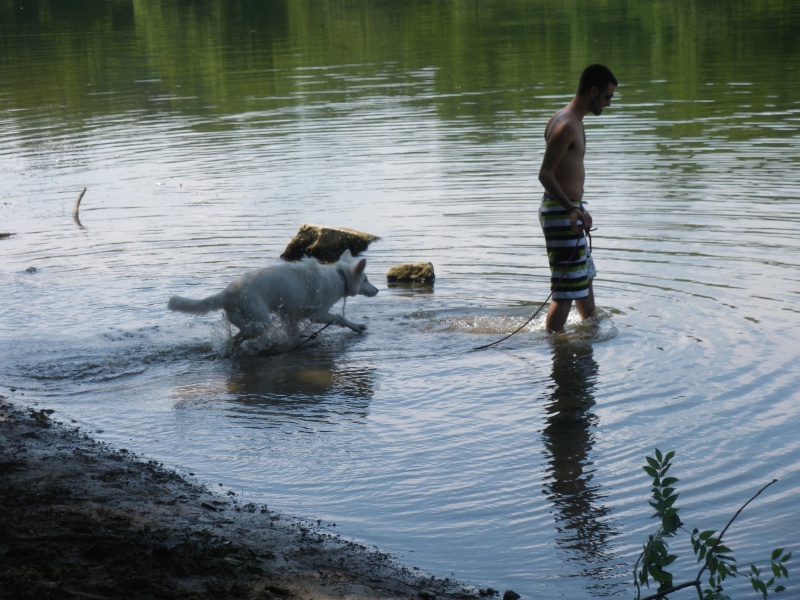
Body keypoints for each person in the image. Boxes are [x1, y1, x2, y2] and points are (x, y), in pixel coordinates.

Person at [538, 64, 617, 332]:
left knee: (584, 278)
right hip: (561, 213)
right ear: (593, 91)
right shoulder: (566, 125)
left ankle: (590, 332)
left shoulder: (572, 120)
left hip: (570, 211)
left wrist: (578, 208)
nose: (608, 103)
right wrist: (571, 208)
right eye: (607, 97)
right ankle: (555, 348)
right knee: (565, 294)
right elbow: (545, 174)